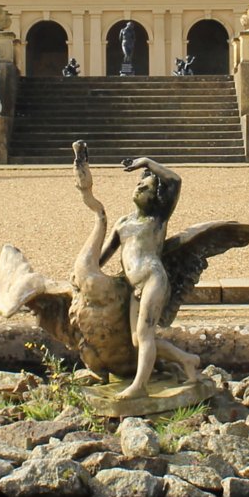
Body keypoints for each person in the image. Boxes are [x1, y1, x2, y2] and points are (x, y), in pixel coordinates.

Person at [103, 154, 186, 400]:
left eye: (146, 187)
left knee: (145, 333)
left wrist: (148, 163)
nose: (139, 187)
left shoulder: (157, 217)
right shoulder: (122, 223)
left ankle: (139, 386)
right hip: (134, 287)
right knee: (137, 341)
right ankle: (187, 359)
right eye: (139, 184)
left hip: (152, 279)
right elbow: (102, 257)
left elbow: (175, 181)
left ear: (156, 197)